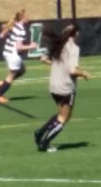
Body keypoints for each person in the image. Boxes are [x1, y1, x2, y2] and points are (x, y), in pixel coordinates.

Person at [34, 22, 90, 152]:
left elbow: (44, 59)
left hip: (54, 85)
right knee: (63, 118)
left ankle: (40, 132)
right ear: (76, 33)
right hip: (66, 86)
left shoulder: (58, 44)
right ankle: (45, 143)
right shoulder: (73, 48)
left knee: (61, 114)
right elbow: (73, 70)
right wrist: (84, 74)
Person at [0, 9, 38, 104]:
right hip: (13, 54)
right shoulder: (21, 30)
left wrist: (5, 30)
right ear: (23, 18)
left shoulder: (14, 25)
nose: (28, 18)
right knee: (11, 76)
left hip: (7, 52)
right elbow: (19, 48)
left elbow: (1, 36)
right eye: (27, 16)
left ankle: (3, 83)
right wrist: (31, 46)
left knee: (22, 70)